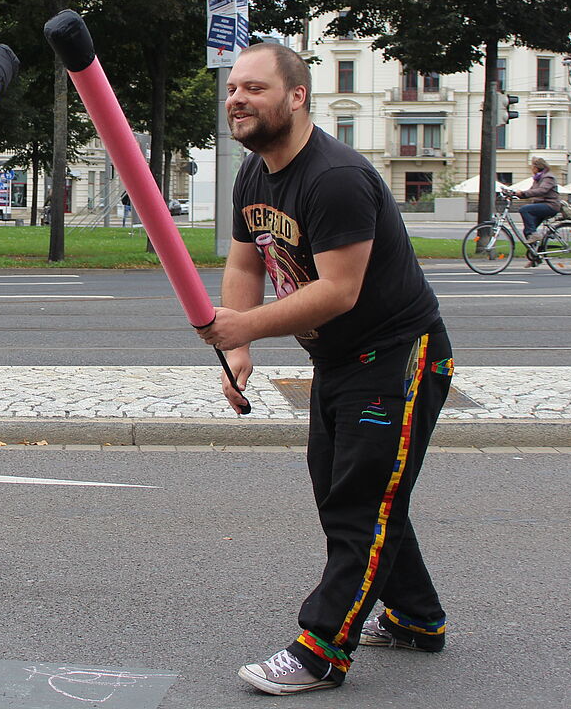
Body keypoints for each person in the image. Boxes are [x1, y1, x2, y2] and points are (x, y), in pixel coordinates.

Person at [197, 42, 452, 697]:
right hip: (337, 360)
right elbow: (248, 264)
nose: (237, 99)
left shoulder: (334, 177)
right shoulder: (253, 178)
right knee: (351, 495)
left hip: (398, 355)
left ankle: (321, 649)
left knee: (361, 503)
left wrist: (244, 325)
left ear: (296, 97)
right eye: (232, 90)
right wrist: (239, 349)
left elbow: (339, 289)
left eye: (254, 88)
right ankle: (417, 617)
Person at [502, 157, 561, 265]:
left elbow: (542, 191)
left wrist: (524, 193)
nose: (531, 168)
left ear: (537, 167)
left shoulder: (548, 177)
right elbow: (532, 191)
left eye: (532, 166)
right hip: (541, 205)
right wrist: (516, 194)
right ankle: (536, 257)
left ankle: (535, 235)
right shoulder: (538, 178)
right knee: (527, 231)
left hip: (550, 205)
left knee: (525, 210)